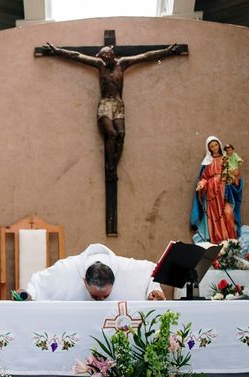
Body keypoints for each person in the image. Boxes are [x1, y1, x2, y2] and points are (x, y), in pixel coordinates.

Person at [37, 42, 184, 234]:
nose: (104, 58)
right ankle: (110, 167)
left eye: (106, 56)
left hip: (118, 105)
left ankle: (113, 163)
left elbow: (146, 55)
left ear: (111, 54)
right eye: (102, 56)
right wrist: (57, 51)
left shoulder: (123, 63)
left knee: (121, 134)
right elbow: (77, 56)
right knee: (112, 134)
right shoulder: (99, 65)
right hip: (105, 104)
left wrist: (167, 51)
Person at [26, 243, 165, 301]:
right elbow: (38, 281)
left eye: (105, 296)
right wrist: (28, 295)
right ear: (84, 281)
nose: (100, 301)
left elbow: (153, 269)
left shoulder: (125, 268)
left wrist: (153, 290)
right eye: (95, 296)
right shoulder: (66, 269)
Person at [191, 135, 242, 244]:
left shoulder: (226, 159)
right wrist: (201, 184)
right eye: (212, 146)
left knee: (228, 213)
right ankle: (218, 243)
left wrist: (235, 176)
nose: (214, 148)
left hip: (225, 193)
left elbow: (235, 174)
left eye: (216, 145)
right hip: (212, 194)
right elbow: (204, 178)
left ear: (219, 145)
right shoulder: (207, 162)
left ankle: (232, 242)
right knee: (215, 217)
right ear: (209, 148)